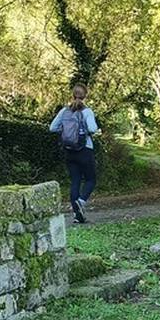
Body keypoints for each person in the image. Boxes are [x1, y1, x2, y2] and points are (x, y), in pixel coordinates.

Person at [49, 84, 99, 223]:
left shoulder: (65, 111)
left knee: (75, 181)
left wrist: (66, 132)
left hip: (69, 151)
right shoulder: (87, 111)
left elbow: (53, 128)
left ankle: (78, 216)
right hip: (85, 149)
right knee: (90, 179)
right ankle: (81, 202)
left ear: (73, 95)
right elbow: (92, 128)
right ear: (85, 96)